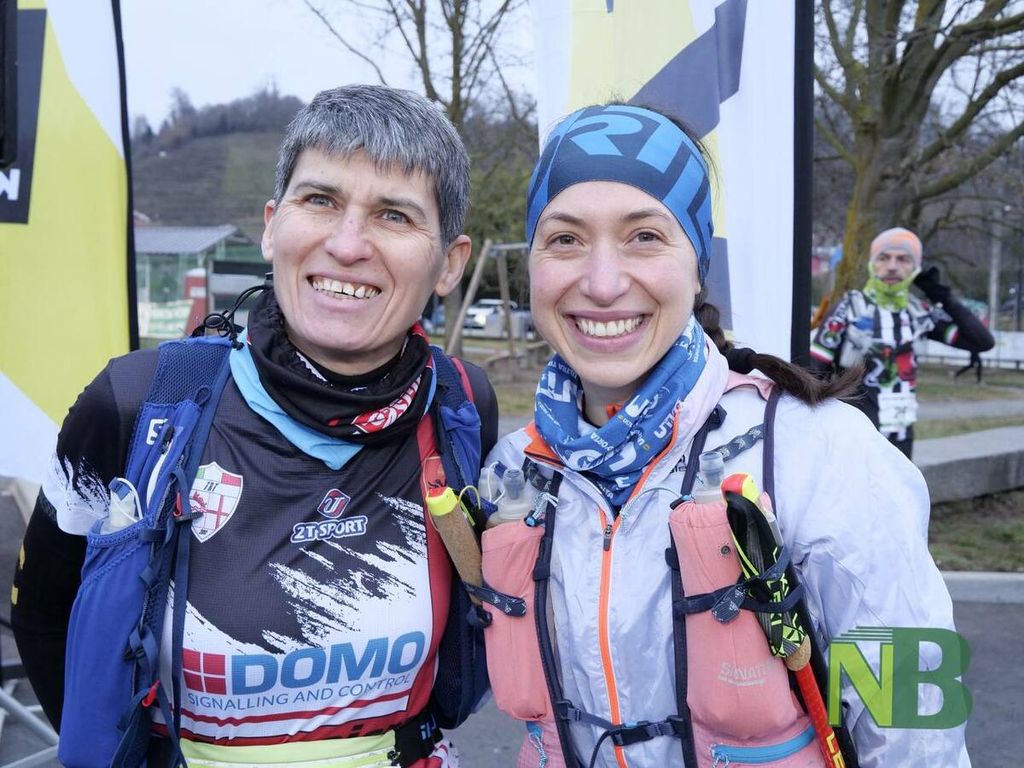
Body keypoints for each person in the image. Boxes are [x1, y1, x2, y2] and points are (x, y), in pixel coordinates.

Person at [10, 84, 496, 767]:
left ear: (449, 263)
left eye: (393, 214)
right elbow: (42, 617)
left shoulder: (462, 404)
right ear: (272, 226)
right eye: (319, 200)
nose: (346, 244)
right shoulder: (135, 404)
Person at [482, 104, 969, 767]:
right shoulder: (512, 470)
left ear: (697, 263)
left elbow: (915, 726)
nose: (601, 282)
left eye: (645, 236)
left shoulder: (820, 453)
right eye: (565, 239)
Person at [810, 227, 994, 458]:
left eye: (903, 259)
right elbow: (812, 371)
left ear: (916, 268)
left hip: (901, 437)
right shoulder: (850, 308)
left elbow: (981, 341)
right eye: (884, 258)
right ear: (872, 264)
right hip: (853, 437)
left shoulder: (919, 313)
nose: (892, 266)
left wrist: (941, 295)